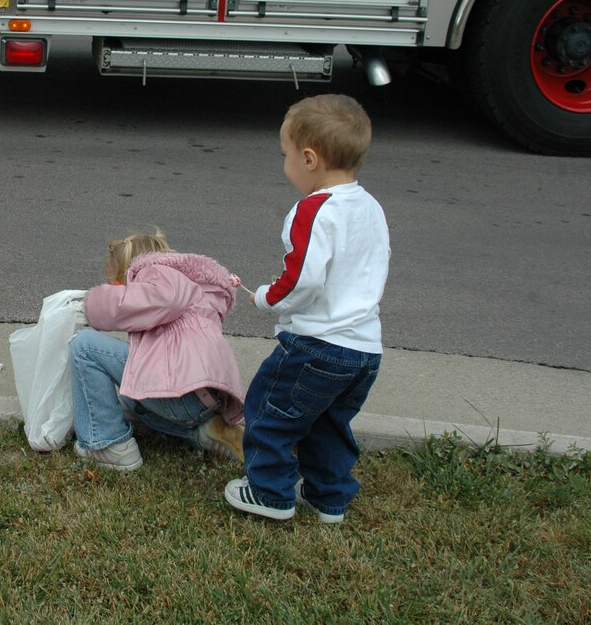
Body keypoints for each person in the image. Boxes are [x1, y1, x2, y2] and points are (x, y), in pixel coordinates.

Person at [224, 94, 390, 524]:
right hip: (365, 350)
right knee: (330, 424)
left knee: (268, 411)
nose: (286, 165)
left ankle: (270, 492)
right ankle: (328, 499)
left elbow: (303, 278)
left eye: (286, 156)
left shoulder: (314, 209)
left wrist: (265, 297)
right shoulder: (370, 207)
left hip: (317, 346)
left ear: (310, 158)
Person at [70, 229, 246, 472]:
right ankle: (206, 432)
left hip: (185, 392)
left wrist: (90, 304)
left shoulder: (158, 274)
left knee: (85, 347)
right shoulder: (197, 287)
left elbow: (161, 299)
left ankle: (109, 444)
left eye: (119, 283)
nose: (120, 289)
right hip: (206, 397)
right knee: (132, 399)